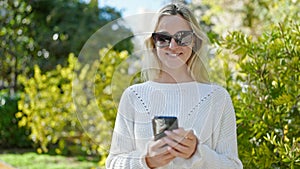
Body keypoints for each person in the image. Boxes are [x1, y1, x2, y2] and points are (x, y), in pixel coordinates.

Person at [106, 3, 243, 169]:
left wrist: (197, 153)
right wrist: (146, 161)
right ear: (153, 43)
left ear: (195, 41)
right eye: (163, 38)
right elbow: (112, 164)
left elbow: (233, 166)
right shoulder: (134, 96)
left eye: (182, 37)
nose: (172, 46)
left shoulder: (217, 97)